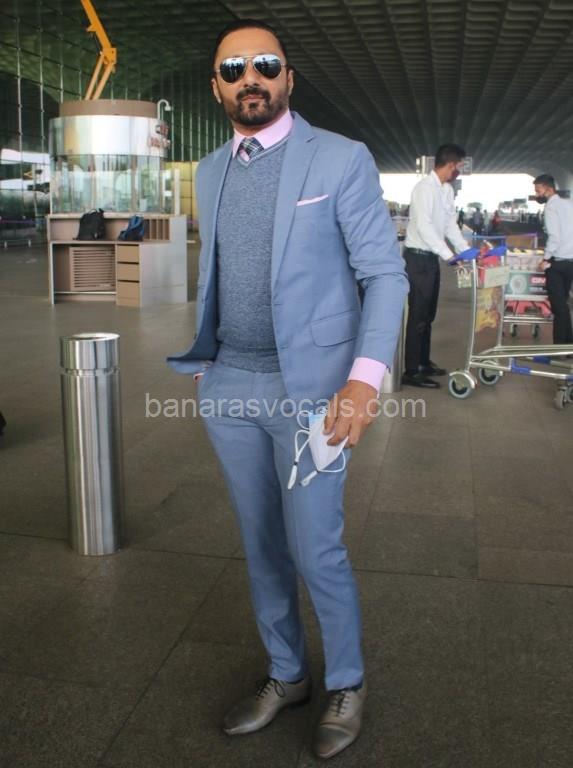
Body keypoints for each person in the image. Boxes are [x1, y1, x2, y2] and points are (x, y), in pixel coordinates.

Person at [167, 19, 408, 760]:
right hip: (230, 385)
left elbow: (384, 274)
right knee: (261, 543)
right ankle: (287, 673)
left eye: (265, 64)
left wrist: (363, 381)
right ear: (217, 87)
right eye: (233, 68)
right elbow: (220, 270)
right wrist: (208, 363)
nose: (251, 78)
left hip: (314, 392)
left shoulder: (339, 157)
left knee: (314, 547)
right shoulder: (211, 169)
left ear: (288, 78)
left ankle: (346, 682)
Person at [402, 144, 469, 388]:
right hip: (418, 258)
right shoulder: (424, 189)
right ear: (450, 164)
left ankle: (423, 362)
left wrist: (464, 251)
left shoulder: (446, 190)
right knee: (418, 315)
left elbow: (450, 225)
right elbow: (424, 227)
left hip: (431, 259)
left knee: (429, 315)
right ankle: (411, 371)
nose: (459, 171)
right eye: (459, 166)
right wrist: (448, 255)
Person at [533, 174, 573, 344]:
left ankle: (558, 348)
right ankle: (568, 345)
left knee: (559, 307)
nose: (537, 194)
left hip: (557, 263)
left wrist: (545, 259)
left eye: (538, 190)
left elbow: (554, 237)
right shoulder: (569, 204)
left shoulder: (551, 207)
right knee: (564, 304)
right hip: (571, 262)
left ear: (549, 189)